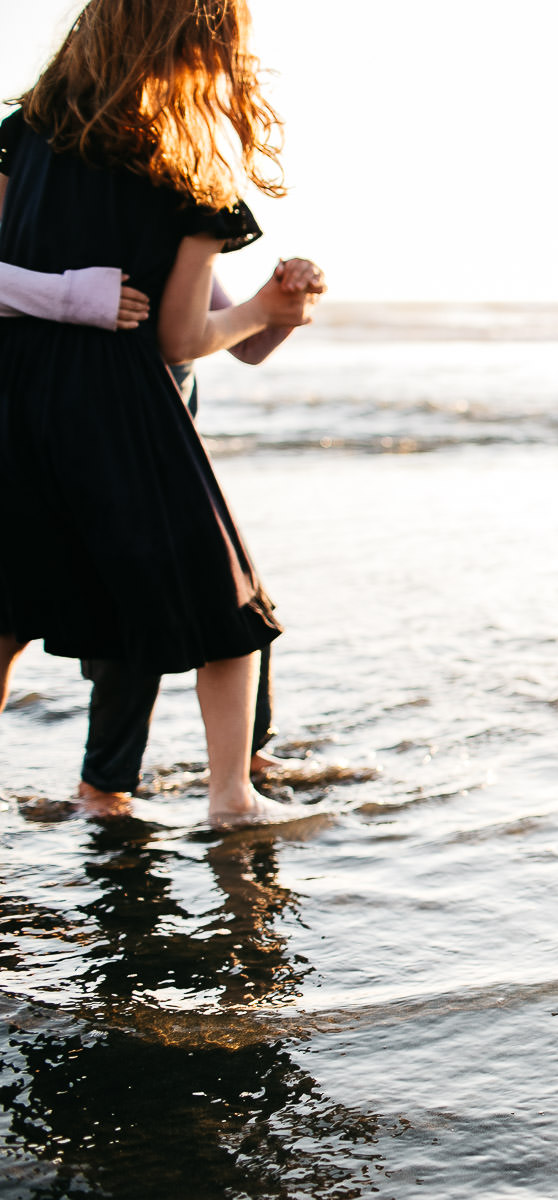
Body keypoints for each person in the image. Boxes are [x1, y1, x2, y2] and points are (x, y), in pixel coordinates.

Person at [0, 0, 317, 827]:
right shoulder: (188, 170)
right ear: (201, 49)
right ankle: (231, 797)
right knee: (227, 602)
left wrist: (263, 313)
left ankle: (118, 789)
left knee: (10, 605)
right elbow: (180, 335)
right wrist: (261, 310)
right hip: (120, 407)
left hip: (11, 392)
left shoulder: (21, 136)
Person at [0, 260, 325, 811]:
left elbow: (246, 345)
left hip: (165, 448)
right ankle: (105, 784)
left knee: (239, 600)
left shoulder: (165, 227)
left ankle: (242, 755)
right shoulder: (51, 212)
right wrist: (72, 298)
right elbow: (181, 342)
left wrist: (284, 306)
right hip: (91, 442)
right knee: (133, 622)